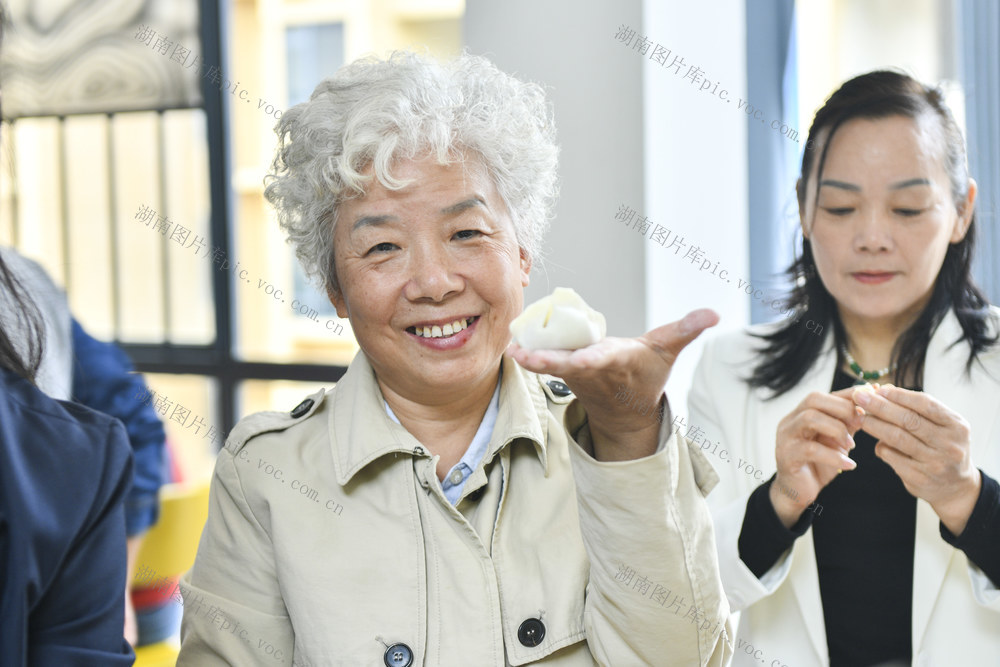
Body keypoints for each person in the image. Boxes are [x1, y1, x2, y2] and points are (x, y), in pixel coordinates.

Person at [178, 51, 734, 666]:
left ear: (522, 251)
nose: (434, 282)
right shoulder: (266, 474)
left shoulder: (618, 443)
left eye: (466, 233)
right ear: (334, 287)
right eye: (383, 246)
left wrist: (628, 434)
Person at [689, 70, 1000, 666]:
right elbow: (687, 593)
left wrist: (968, 497)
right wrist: (778, 503)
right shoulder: (729, 369)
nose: (872, 237)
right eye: (840, 206)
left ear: (961, 211)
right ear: (804, 207)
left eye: (908, 208)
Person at [0, 246, 169, 645]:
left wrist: (109, 580)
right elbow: (134, 412)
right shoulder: (23, 278)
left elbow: (132, 415)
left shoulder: (21, 281)